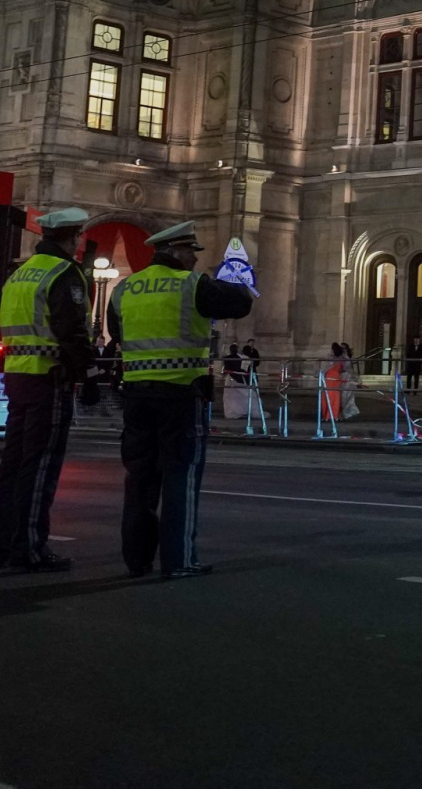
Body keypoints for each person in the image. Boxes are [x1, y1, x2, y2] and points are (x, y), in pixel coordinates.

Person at [107, 221, 253, 579]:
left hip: (137, 396)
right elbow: (242, 302)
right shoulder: (193, 284)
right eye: (191, 251)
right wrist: (230, 274)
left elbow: (115, 331)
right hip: (180, 394)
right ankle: (179, 559)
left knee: (139, 479)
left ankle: (137, 559)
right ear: (175, 251)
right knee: (181, 476)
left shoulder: (125, 289)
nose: (194, 259)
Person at [0, 207, 95, 572]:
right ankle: (30, 548)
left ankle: (1, 545)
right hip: (49, 377)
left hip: (17, 377)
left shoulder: (19, 274)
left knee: (12, 464)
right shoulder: (64, 272)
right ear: (73, 237)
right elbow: (72, 331)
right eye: (78, 236)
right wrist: (89, 373)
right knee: (40, 465)